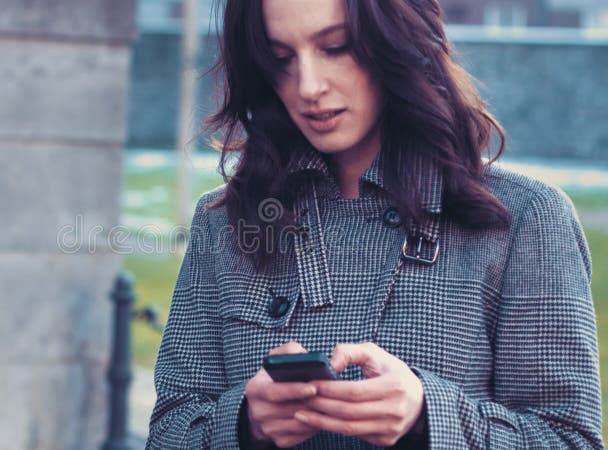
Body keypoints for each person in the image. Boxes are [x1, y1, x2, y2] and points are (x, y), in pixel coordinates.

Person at [146, 0, 603, 448]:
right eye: (281, 58)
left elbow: (569, 438)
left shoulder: (525, 218)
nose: (308, 86)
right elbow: (168, 433)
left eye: (336, 47)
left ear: (399, 40)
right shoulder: (223, 223)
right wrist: (246, 423)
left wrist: (428, 416)